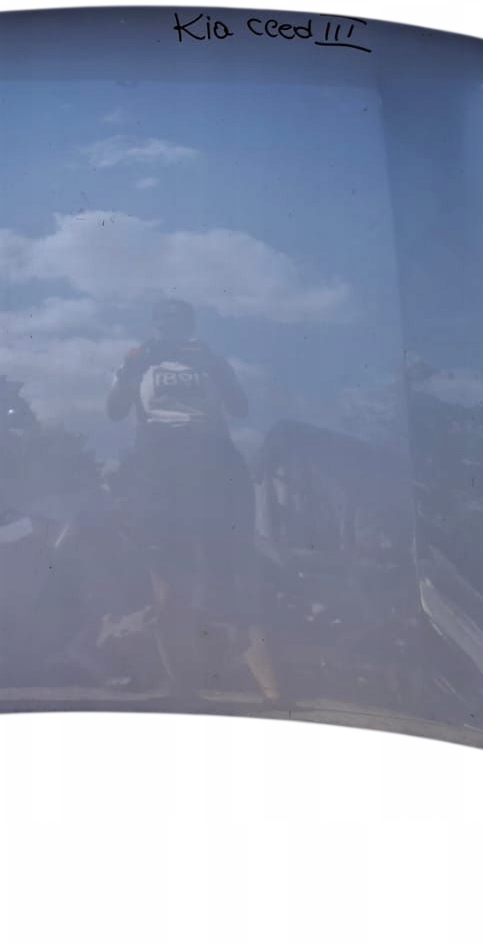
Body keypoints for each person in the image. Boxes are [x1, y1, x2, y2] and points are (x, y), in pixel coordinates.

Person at [107, 298, 280, 701]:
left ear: (190, 326)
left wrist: (215, 367)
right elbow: (115, 410)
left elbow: (240, 407)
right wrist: (132, 368)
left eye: (178, 322)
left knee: (236, 575)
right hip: (159, 470)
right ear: (153, 326)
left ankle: (278, 697)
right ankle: (184, 695)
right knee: (169, 584)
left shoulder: (210, 362)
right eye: (162, 322)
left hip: (214, 465)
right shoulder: (138, 362)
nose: (170, 329)